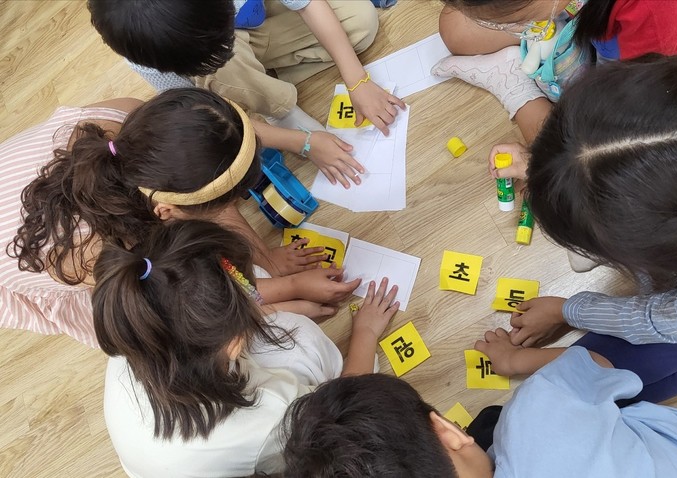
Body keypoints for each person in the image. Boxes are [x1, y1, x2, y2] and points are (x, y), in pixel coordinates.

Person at [505, 54, 677, 403]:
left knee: (628, 386)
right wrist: (550, 170)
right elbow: (628, 153)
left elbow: (648, 318)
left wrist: (567, 309)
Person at [5, 88, 357, 347]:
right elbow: (187, 318)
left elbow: (221, 135)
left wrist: (302, 141)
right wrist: (276, 308)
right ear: (166, 212)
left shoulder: (129, 119)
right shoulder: (98, 258)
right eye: (224, 202)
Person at [95, 219, 400, 477]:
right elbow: (346, 413)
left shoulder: (134, 319)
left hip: (159, 456)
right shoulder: (271, 412)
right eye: (249, 301)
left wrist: (292, 290)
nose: (257, 302)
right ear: (233, 343)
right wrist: (365, 332)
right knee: (302, 340)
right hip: (251, 449)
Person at [88, 0, 406, 188]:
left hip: (261, 19)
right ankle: (273, 102)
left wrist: (357, 80)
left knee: (362, 23)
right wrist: (302, 142)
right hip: (228, 57)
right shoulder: (146, 49)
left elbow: (308, 3)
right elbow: (204, 114)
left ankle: (257, 84)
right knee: (223, 72)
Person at [281, 344, 677, 478]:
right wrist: (517, 360)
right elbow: (601, 365)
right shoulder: (539, 407)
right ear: (447, 431)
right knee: (597, 362)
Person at [431, 0, 677, 181]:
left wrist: (544, 162)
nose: (515, 29)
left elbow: (633, 115)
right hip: (591, 20)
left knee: (579, 171)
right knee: (456, 28)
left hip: (653, 66)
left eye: (517, 21)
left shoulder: (656, 18)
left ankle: (516, 87)